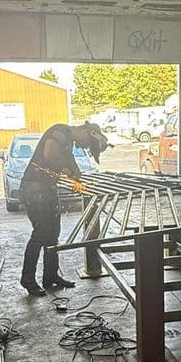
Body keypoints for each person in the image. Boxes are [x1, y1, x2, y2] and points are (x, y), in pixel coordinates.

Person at [19, 121, 108, 296]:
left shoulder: (68, 141)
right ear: (87, 132)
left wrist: (73, 171)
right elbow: (50, 154)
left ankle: (50, 277)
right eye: (88, 144)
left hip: (46, 190)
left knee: (53, 235)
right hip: (35, 189)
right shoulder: (60, 132)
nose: (85, 147)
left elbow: (65, 160)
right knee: (41, 234)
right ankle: (28, 280)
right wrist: (69, 167)